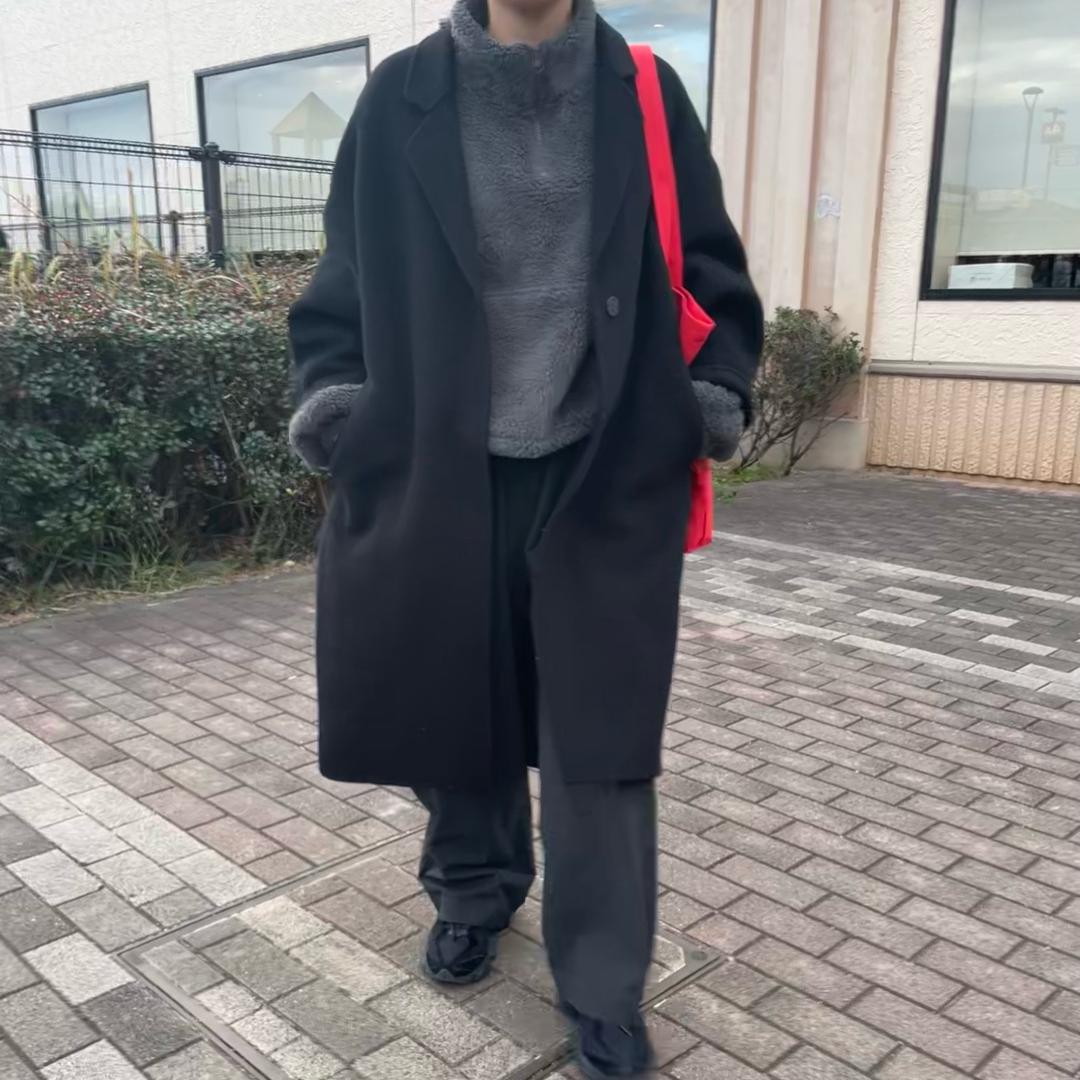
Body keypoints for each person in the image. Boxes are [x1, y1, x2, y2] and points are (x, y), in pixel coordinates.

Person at [288, 0, 762, 1074]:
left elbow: (713, 269)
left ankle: (603, 987)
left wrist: (706, 399)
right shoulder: (399, 96)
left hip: (606, 469)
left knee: (602, 740)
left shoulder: (645, 92)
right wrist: (339, 410)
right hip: (436, 463)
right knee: (452, 705)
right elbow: (341, 285)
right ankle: (473, 890)